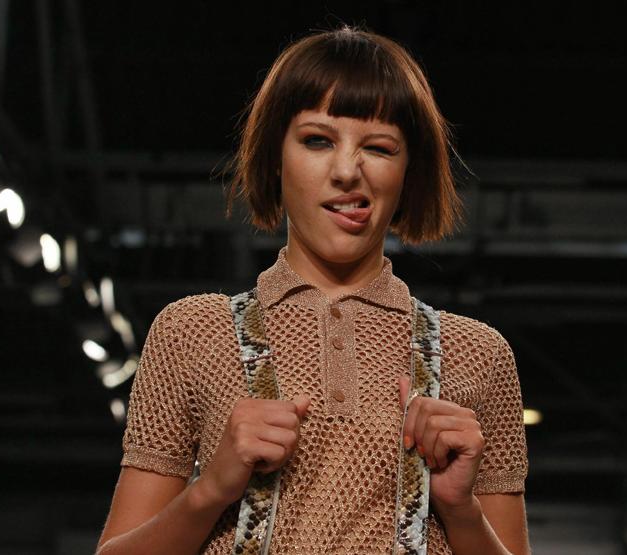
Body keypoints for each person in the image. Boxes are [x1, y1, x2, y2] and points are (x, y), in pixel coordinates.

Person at [96, 26, 529, 555]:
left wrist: (460, 510)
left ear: (408, 170)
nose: (348, 171)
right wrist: (210, 489)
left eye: (379, 147)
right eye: (317, 140)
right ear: (275, 156)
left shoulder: (480, 355)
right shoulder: (191, 333)